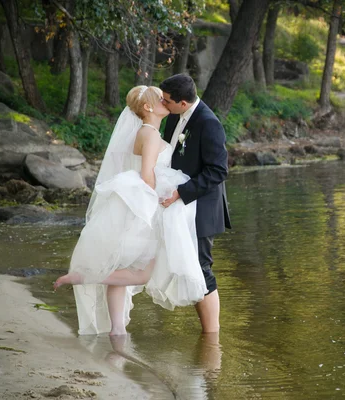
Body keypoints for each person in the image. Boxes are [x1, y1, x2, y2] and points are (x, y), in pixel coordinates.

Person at [54, 85, 208, 336]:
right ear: (148, 107)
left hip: (134, 203)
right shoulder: (149, 134)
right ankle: (84, 277)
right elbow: (147, 174)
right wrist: (158, 203)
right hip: (145, 205)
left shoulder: (147, 131)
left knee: (122, 267)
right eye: (160, 100)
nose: (165, 102)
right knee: (143, 273)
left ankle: (117, 330)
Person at [159, 74, 231, 333]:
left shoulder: (209, 123)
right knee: (188, 267)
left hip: (200, 208)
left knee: (201, 267)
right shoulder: (173, 116)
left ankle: (212, 336)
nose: (163, 104)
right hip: (178, 207)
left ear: (183, 103)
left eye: (167, 101)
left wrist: (181, 192)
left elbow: (218, 171)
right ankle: (207, 333)